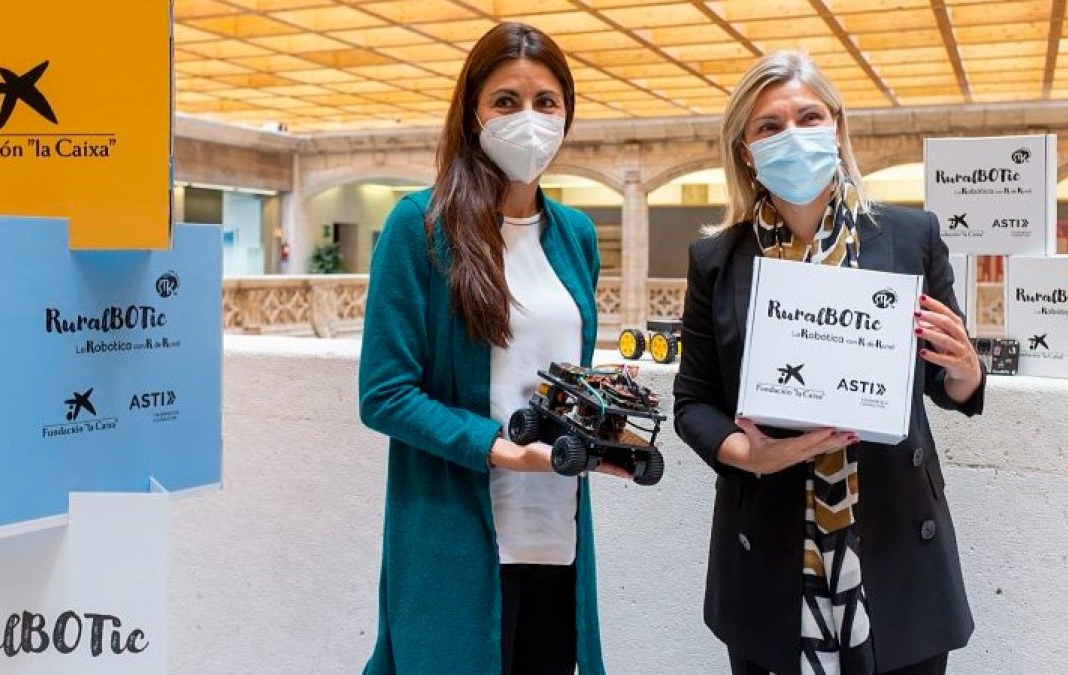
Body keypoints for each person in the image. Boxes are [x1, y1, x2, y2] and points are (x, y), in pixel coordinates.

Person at [673, 51, 985, 675]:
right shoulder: (717, 258)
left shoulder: (910, 236)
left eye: (808, 117)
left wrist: (964, 368)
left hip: (895, 552)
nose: (792, 135)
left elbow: (946, 384)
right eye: (769, 126)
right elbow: (693, 402)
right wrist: (746, 454)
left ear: (837, 127)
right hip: (770, 553)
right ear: (745, 150)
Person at [359, 22, 621, 675]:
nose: (527, 118)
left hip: (557, 539)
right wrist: (501, 449)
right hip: (457, 538)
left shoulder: (578, 235)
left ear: (567, 114)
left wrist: (603, 427)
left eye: (545, 101)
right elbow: (385, 394)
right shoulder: (418, 228)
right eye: (506, 101)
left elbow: (566, 375)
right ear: (472, 111)